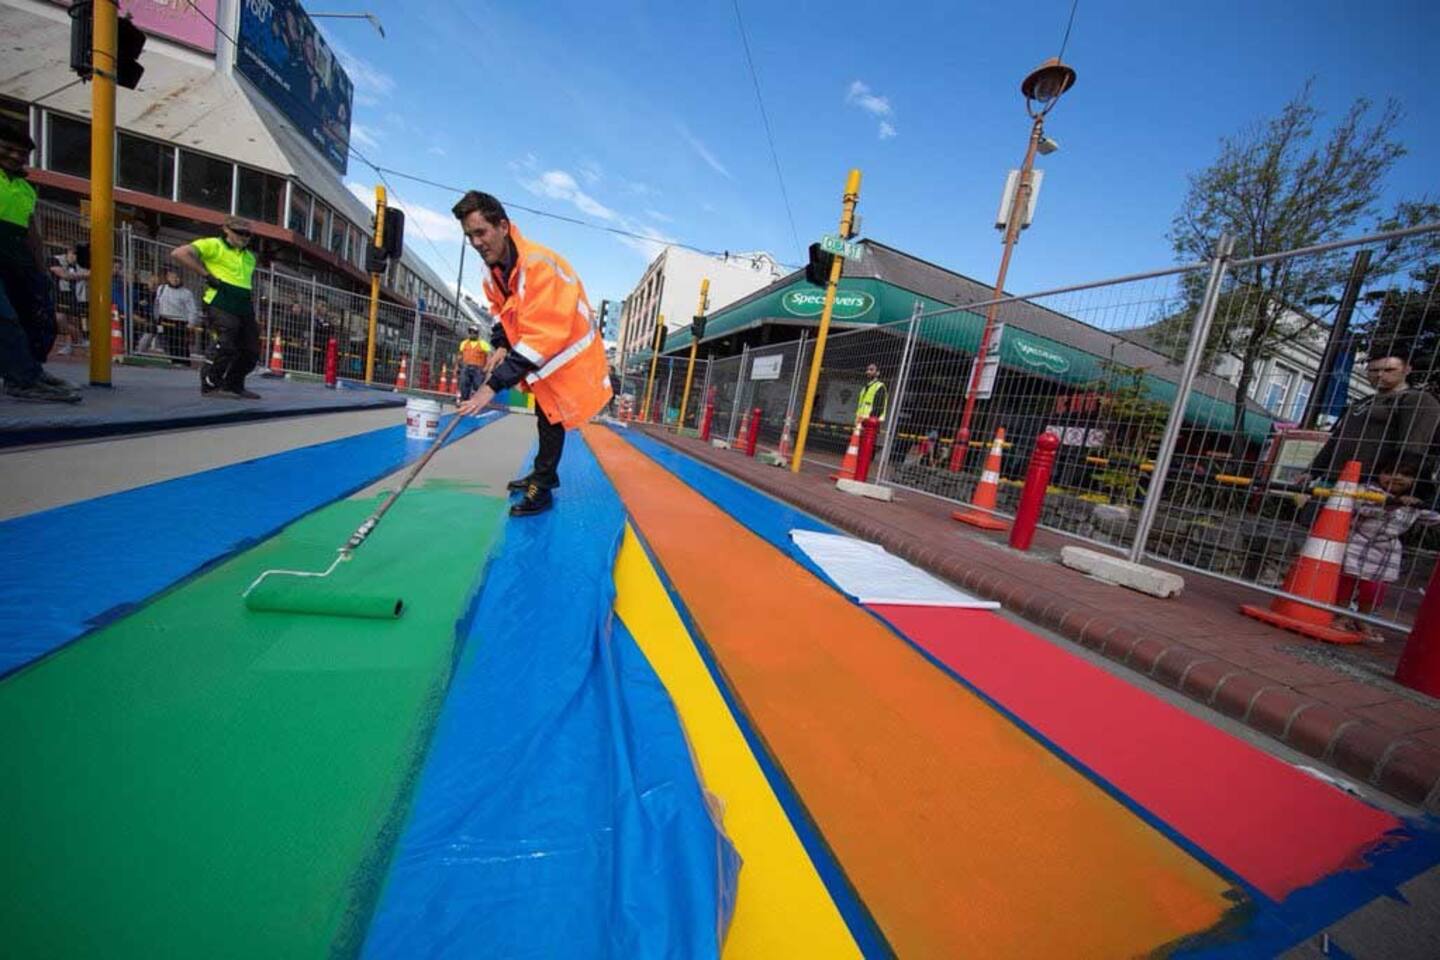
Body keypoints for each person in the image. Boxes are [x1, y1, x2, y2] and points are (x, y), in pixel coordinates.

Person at [452, 190, 611, 516]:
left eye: (481, 232)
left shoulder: (538, 266)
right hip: (546, 350)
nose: (477, 243)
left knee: (552, 416)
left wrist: (491, 386)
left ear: (503, 227)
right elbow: (503, 313)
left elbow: (542, 337)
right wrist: (500, 343)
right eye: (470, 236)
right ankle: (542, 474)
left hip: (567, 353)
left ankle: (543, 488)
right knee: (545, 416)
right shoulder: (494, 271)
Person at [0, 121, 79, 402]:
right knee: (5, 317)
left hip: (17, 255)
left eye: (21, 153)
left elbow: (31, 231)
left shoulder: (25, 188)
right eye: (8, 149)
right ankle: (21, 379)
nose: (15, 156)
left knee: (35, 315)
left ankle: (30, 370)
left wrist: (41, 268)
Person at [1336, 453, 1440, 643]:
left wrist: (1417, 505)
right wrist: (1393, 503)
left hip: (1387, 550)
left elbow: (1433, 518)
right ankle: (1341, 614)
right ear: (1379, 473)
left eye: (1405, 474)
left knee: (1374, 587)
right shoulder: (1368, 490)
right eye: (1389, 472)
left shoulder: (1415, 504)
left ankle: (1362, 618)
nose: (1396, 477)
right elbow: (1364, 507)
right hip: (1358, 542)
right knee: (1347, 580)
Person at [1310, 348, 1440, 484]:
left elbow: (1413, 446)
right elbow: (1337, 439)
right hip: (1335, 477)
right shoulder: (1364, 401)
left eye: (1389, 370)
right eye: (1373, 370)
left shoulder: (1417, 399)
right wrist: (1312, 471)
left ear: (1406, 370)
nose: (1379, 375)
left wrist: (1394, 483)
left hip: (1374, 483)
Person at [171, 216, 261, 399]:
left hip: (243, 303)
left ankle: (233, 384)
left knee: (251, 350)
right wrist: (206, 275)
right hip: (220, 300)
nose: (244, 237)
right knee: (226, 340)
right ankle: (210, 384)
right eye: (239, 232)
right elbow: (179, 253)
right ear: (226, 230)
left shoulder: (250, 257)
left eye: (247, 234)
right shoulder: (213, 245)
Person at [153, 267, 198, 366]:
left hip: (180, 321)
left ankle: (184, 363)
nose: (175, 279)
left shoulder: (186, 293)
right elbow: (157, 303)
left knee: (181, 344)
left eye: (177, 277)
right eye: (172, 277)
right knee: (168, 343)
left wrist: (191, 323)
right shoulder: (161, 289)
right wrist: (156, 318)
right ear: (168, 278)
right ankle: (173, 361)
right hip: (164, 319)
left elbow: (192, 309)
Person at [49, 244, 88, 354]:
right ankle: (80, 340)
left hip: (72, 296)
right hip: (57, 294)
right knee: (59, 319)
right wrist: (85, 275)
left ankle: (70, 345)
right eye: (74, 255)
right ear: (69, 252)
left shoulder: (77, 265)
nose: (76, 258)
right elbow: (64, 275)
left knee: (73, 321)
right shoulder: (55, 259)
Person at [457, 325, 491, 401]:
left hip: (478, 368)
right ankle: (464, 401)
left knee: (478, 386)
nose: (472, 334)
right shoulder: (464, 343)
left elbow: (489, 356)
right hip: (466, 367)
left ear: (477, 334)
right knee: (464, 385)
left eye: (474, 332)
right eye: (470, 332)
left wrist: (487, 367)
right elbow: (460, 355)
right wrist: (457, 366)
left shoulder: (484, 344)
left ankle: (476, 402)